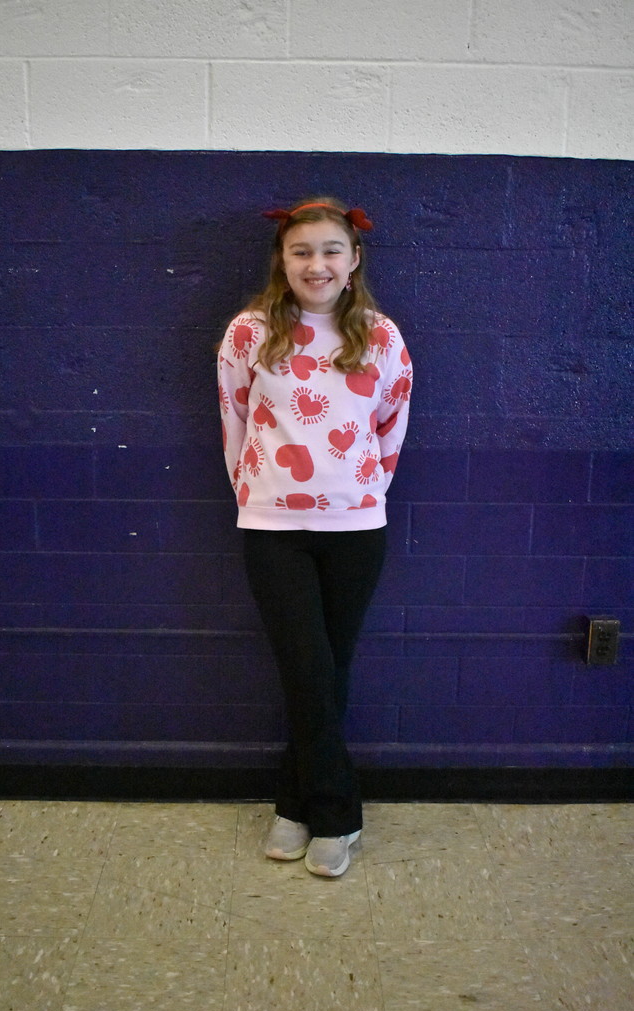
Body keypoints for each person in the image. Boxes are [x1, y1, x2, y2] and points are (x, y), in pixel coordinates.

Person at [217, 197, 412, 877]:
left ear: (354, 259)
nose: (316, 264)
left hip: (355, 528)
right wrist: (256, 494)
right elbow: (234, 420)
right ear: (282, 260)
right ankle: (337, 812)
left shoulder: (380, 337)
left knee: (329, 669)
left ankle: (294, 805)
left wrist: (361, 493)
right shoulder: (249, 332)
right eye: (301, 251)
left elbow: (391, 425)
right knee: (304, 666)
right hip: (272, 527)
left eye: (331, 250)